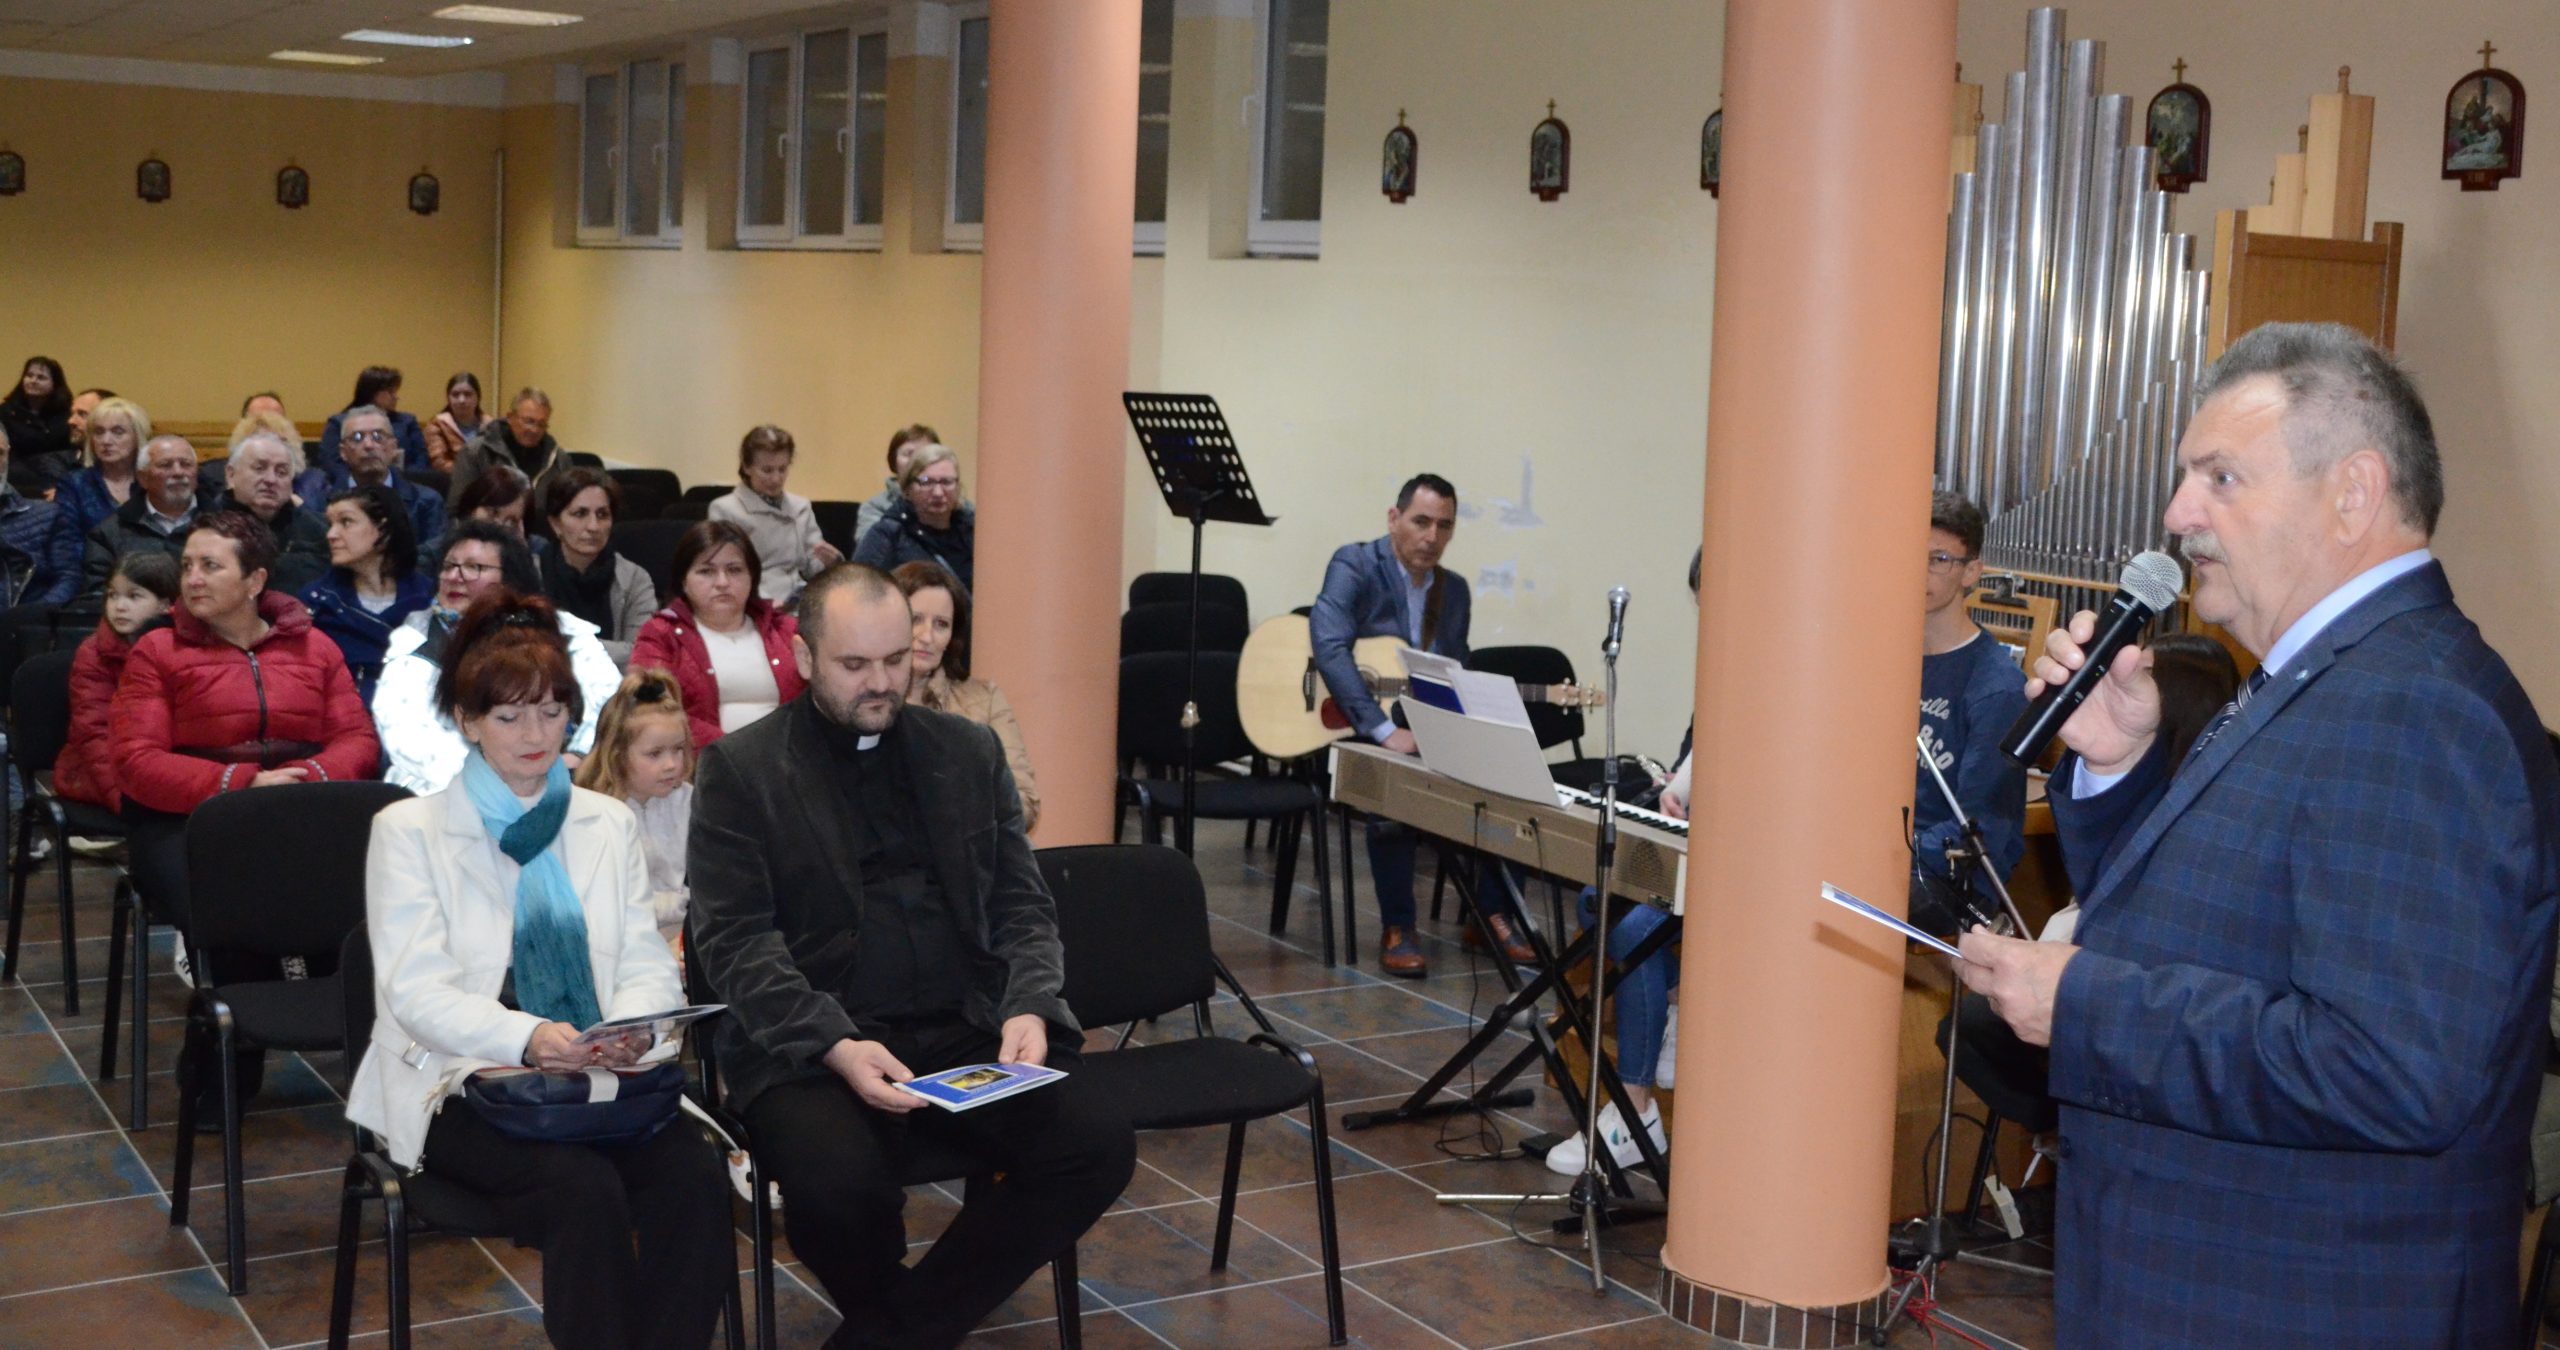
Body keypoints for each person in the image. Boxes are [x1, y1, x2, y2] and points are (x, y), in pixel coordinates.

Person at [1957, 323, 2560, 1345]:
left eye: (2221, 478)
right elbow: (2207, 924)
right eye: (2185, 476)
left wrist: (2086, 1005)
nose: (2176, 514)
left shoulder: (2415, 708)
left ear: (2353, 493)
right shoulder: (2320, 677)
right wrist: (2118, 764)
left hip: (2296, 1305)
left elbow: (2390, 1071)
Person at [689, 563, 1135, 1346]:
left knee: (1094, 1143)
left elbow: (1021, 904)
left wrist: (1030, 1004)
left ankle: (893, 1333)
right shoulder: (742, 770)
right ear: (804, 656)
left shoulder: (966, 751)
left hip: (965, 1025)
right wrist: (835, 1045)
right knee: (837, 1193)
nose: (881, 682)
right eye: (855, 664)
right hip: (813, 1045)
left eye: (896, 660)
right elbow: (736, 941)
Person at [346, 590, 731, 1350]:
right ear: (467, 721)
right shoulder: (409, 830)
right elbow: (416, 992)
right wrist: (530, 1038)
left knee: (696, 1179)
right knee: (582, 1189)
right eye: (509, 716)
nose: (535, 735)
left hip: (598, 1076)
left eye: (552, 712)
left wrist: (634, 1030)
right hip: (461, 1082)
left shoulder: (605, 821)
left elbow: (645, 956)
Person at [112, 512, 381, 1114]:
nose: (192, 578)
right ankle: (220, 1074)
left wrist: (307, 779)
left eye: (210, 566)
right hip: (188, 818)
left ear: (255, 580)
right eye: (187, 565)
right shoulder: (157, 650)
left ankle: (370, 1064)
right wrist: (241, 782)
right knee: (237, 911)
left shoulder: (314, 647)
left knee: (360, 900)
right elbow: (136, 761)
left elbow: (358, 741)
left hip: (295, 807)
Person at [1311, 473, 1533, 977]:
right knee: (1394, 782)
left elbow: (1454, 670)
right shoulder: (1354, 565)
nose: (1432, 537)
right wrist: (1381, 730)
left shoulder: (1454, 592)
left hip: (1420, 725)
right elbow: (1329, 645)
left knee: (1509, 773)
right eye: (1421, 522)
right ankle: (1399, 926)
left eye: (1445, 526)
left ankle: (1491, 916)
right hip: (1359, 724)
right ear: (1394, 519)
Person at [1545, 546, 1703, 1177]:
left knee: (1636, 929)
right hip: (1700, 840)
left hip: (1756, 863)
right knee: (1598, 899)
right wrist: (1675, 789)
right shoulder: (1728, 664)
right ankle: (1677, 999)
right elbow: (1697, 753)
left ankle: (1635, 1111)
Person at [375, 521, 621, 795]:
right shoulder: (412, 646)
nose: (455, 576)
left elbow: (611, 702)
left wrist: (578, 755)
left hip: (567, 781)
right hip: (451, 794)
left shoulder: (565, 632)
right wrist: (514, 784)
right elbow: (419, 747)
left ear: (509, 579)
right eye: (449, 566)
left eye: (474, 567)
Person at [1907, 491, 2028, 937]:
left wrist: (1891, 852)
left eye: (1938, 559)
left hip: (1950, 880)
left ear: (1972, 571)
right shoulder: (1886, 660)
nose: (1918, 571)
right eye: (1911, 554)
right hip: (1889, 854)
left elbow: (1981, 830)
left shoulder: (1997, 688)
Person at [890, 561, 1039, 833]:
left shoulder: (985, 699)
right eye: (915, 619)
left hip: (971, 848)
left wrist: (957, 805)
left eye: (941, 624)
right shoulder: (865, 699)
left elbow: (1024, 805)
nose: (927, 637)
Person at [628, 521, 805, 748]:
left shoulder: (786, 630)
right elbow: (652, 710)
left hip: (788, 757)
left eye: (734, 570)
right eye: (706, 571)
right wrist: (732, 754)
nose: (722, 582)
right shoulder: (660, 634)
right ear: (684, 581)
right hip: (702, 762)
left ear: (752, 577)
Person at [574, 668, 695, 952]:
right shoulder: (592, 812)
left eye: (678, 749)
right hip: (620, 940)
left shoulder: (691, 801)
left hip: (686, 932)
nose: (671, 764)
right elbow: (605, 901)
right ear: (617, 755)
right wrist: (682, 905)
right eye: (655, 754)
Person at [54, 551, 178, 811]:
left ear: (165, 604)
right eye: (112, 595)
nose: (119, 606)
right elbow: (93, 733)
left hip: (157, 768)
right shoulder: (94, 653)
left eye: (134, 596)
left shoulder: (182, 646)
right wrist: (123, 799)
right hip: (100, 776)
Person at [301, 485, 433, 709]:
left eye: (346, 522)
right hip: (343, 717)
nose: (331, 534)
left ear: (384, 529)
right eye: (330, 524)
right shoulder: (316, 602)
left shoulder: (428, 598)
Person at [707, 425, 838, 604]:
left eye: (782, 469)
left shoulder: (800, 507)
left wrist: (830, 562)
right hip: (751, 602)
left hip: (799, 598)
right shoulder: (725, 509)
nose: (776, 479)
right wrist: (761, 603)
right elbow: (726, 572)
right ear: (746, 467)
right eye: (767, 470)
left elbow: (811, 569)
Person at [537, 468, 656, 663]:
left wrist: (566, 646)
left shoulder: (635, 579)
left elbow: (642, 652)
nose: (593, 526)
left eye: (602, 515)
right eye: (580, 514)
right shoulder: (531, 572)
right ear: (555, 524)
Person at [296, 403, 446, 556]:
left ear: (393, 448)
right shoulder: (318, 506)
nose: (368, 445)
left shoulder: (426, 502)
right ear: (343, 452)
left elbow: (432, 559)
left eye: (377, 437)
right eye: (357, 438)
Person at [207, 432, 328, 593]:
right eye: (259, 468)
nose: (271, 479)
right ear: (231, 474)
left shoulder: (319, 532)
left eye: (281, 472)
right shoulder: (205, 529)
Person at [82, 435, 202, 595]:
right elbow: (98, 595)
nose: (178, 472)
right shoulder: (109, 534)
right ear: (143, 478)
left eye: (186, 464)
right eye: (166, 465)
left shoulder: (220, 525)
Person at [852, 444, 971, 591]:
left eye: (947, 482)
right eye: (926, 482)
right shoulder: (888, 534)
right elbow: (857, 589)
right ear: (907, 489)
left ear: (958, 487)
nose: (938, 493)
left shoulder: (972, 531)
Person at [52, 394, 146, 556]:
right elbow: (65, 546)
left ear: (137, 437)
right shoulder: (74, 484)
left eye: (118, 432)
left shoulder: (152, 483)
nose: (106, 441)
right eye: (99, 432)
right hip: (90, 568)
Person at [450, 387, 567, 506]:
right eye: (529, 421)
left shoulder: (557, 459)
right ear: (510, 418)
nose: (535, 430)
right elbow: (458, 508)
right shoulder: (475, 452)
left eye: (541, 424)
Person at [0, 423, 75, 607]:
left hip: (26, 618)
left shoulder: (47, 516)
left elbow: (69, 577)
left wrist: (31, 617)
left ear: (8, 454)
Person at [316, 365, 429, 477]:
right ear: (372, 392)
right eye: (391, 392)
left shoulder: (407, 422)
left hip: (403, 481)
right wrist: (354, 481)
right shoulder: (338, 422)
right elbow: (329, 462)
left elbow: (421, 458)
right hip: (351, 483)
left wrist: (401, 479)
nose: (396, 397)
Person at [855, 423, 938, 550]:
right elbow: (870, 551)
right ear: (894, 461)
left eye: (924, 454)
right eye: (909, 454)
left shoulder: (953, 503)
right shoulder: (874, 507)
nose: (917, 461)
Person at [2, 356, 77, 497]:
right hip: (17, 479)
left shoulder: (68, 415)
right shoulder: (6, 412)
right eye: (29, 375)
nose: (33, 381)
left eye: (41, 378)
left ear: (55, 384)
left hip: (57, 477)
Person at [452, 464, 534, 543]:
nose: (499, 526)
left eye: (511, 522)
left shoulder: (535, 547)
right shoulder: (447, 543)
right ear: (471, 507)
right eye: (493, 513)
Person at [422, 371, 485, 473]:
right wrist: (471, 473)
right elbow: (439, 463)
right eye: (455, 395)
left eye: (468, 394)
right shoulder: (437, 425)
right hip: (450, 479)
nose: (461, 400)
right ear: (448, 398)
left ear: (478, 397)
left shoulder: (491, 425)